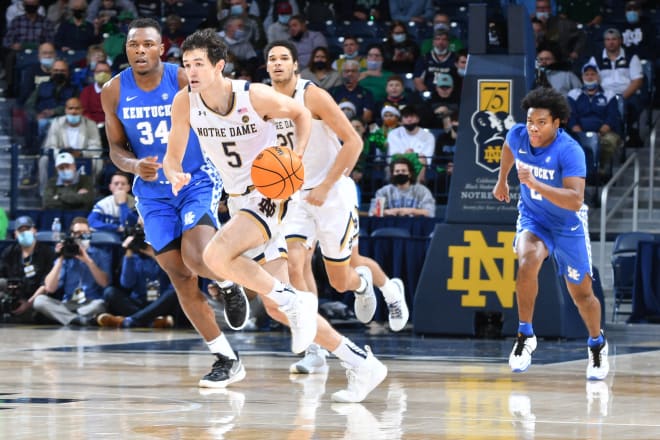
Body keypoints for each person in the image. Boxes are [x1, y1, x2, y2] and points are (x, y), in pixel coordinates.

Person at [163, 30, 387, 403]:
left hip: (270, 192)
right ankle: (361, 362)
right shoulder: (185, 103)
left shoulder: (252, 95)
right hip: (238, 199)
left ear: (219, 65)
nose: (192, 71)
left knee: (215, 256)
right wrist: (173, 170)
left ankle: (296, 299)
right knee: (276, 308)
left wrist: (296, 155)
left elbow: (300, 113)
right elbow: (174, 150)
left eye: (199, 63)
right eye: (187, 65)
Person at [101, 18, 249, 388]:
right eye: (134, 45)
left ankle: (228, 284)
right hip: (151, 190)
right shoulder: (113, 91)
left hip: (195, 178)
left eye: (147, 44)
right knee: (179, 276)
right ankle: (226, 358)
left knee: (196, 257)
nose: (140, 51)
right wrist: (136, 165)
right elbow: (116, 150)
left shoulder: (181, 79)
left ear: (161, 48)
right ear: (127, 50)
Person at [266, 40, 408, 374]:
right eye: (271, 59)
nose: (277, 64)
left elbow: (354, 142)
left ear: (295, 65)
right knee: (295, 263)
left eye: (283, 58)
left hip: (332, 191)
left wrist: (327, 185)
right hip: (295, 195)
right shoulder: (263, 102)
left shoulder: (311, 95)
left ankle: (380, 287)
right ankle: (315, 347)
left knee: (342, 276)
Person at [491, 87, 608, 381]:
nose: (533, 127)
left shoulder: (570, 151)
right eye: (531, 120)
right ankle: (526, 334)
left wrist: (535, 184)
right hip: (534, 219)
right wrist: (502, 180)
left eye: (541, 122)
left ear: (557, 123)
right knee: (527, 260)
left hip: (567, 225)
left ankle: (596, 343)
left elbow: (575, 200)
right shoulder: (519, 135)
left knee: (582, 295)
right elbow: (508, 147)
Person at [96, 220, 181, 328]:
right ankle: (150, 321)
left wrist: (153, 254)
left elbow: (176, 277)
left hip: (160, 303)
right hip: (138, 301)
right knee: (110, 292)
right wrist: (128, 254)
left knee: (174, 293)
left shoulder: (166, 247)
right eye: (140, 226)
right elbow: (127, 284)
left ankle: (128, 321)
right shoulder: (133, 254)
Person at [33, 216, 110, 325]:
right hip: (68, 303)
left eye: (85, 233)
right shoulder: (66, 255)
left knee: (100, 305)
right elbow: (50, 288)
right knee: (39, 301)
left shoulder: (101, 255)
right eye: (78, 233)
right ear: (72, 235)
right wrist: (60, 258)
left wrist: (88, 261)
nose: (82, 236)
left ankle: (68, 318)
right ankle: (78, 319)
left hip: (91, 303)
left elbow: (104, 283)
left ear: (90, 234)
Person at [566, 62, 622, 180]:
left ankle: (600, 169)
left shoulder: (609, 95)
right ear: (582, 77)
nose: (590, 77)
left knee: (609, 141)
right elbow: (571, 116)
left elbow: (613, 116)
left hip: (603, 133)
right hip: (579, 133)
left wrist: (602, 131)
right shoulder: (574, 94)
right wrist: (579, 132)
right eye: (587, 74)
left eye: (593, 74)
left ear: (598, 76)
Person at [38, 97, 103, 194]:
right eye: (71, 108)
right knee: (44, 160)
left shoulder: (90, 124)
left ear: (82, 110)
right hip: (61, 157)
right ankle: (44, 193)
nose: (73, 111)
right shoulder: (56, 123)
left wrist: (81, 153)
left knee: (98, 160)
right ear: (66, 110)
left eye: (77, 108)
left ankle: (91, 190)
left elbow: (96, 148)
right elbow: (50, 146)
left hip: (82, 158)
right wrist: (63, 154)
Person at [0, 215, 56, 323]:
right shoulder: (9, 252)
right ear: (15, 235)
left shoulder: (47, 252)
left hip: (35, 298)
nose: (24, 233)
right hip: (13, 295)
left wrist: (28, 303)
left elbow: (46, 284)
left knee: (39, 305)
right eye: (21, 231)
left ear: (34, 231)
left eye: (28, 229)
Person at [87, 170, 138, 234]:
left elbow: (128, 224)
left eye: (123, 184)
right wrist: (116, 228)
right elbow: (91, 222)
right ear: (110, 187)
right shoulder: (103, 204)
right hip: (107, 238)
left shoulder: (136, 204)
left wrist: (122, 204)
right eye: (116, 184)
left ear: (128, 187)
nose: (120, 187)